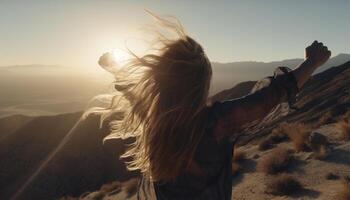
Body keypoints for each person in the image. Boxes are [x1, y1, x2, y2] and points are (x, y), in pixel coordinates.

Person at [96, 15, 331, 200]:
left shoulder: (156, 122)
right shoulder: (216, 122)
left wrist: (115, 68)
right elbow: (271, 96)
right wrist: (312, 62)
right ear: (200, 84)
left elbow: (137, 95)